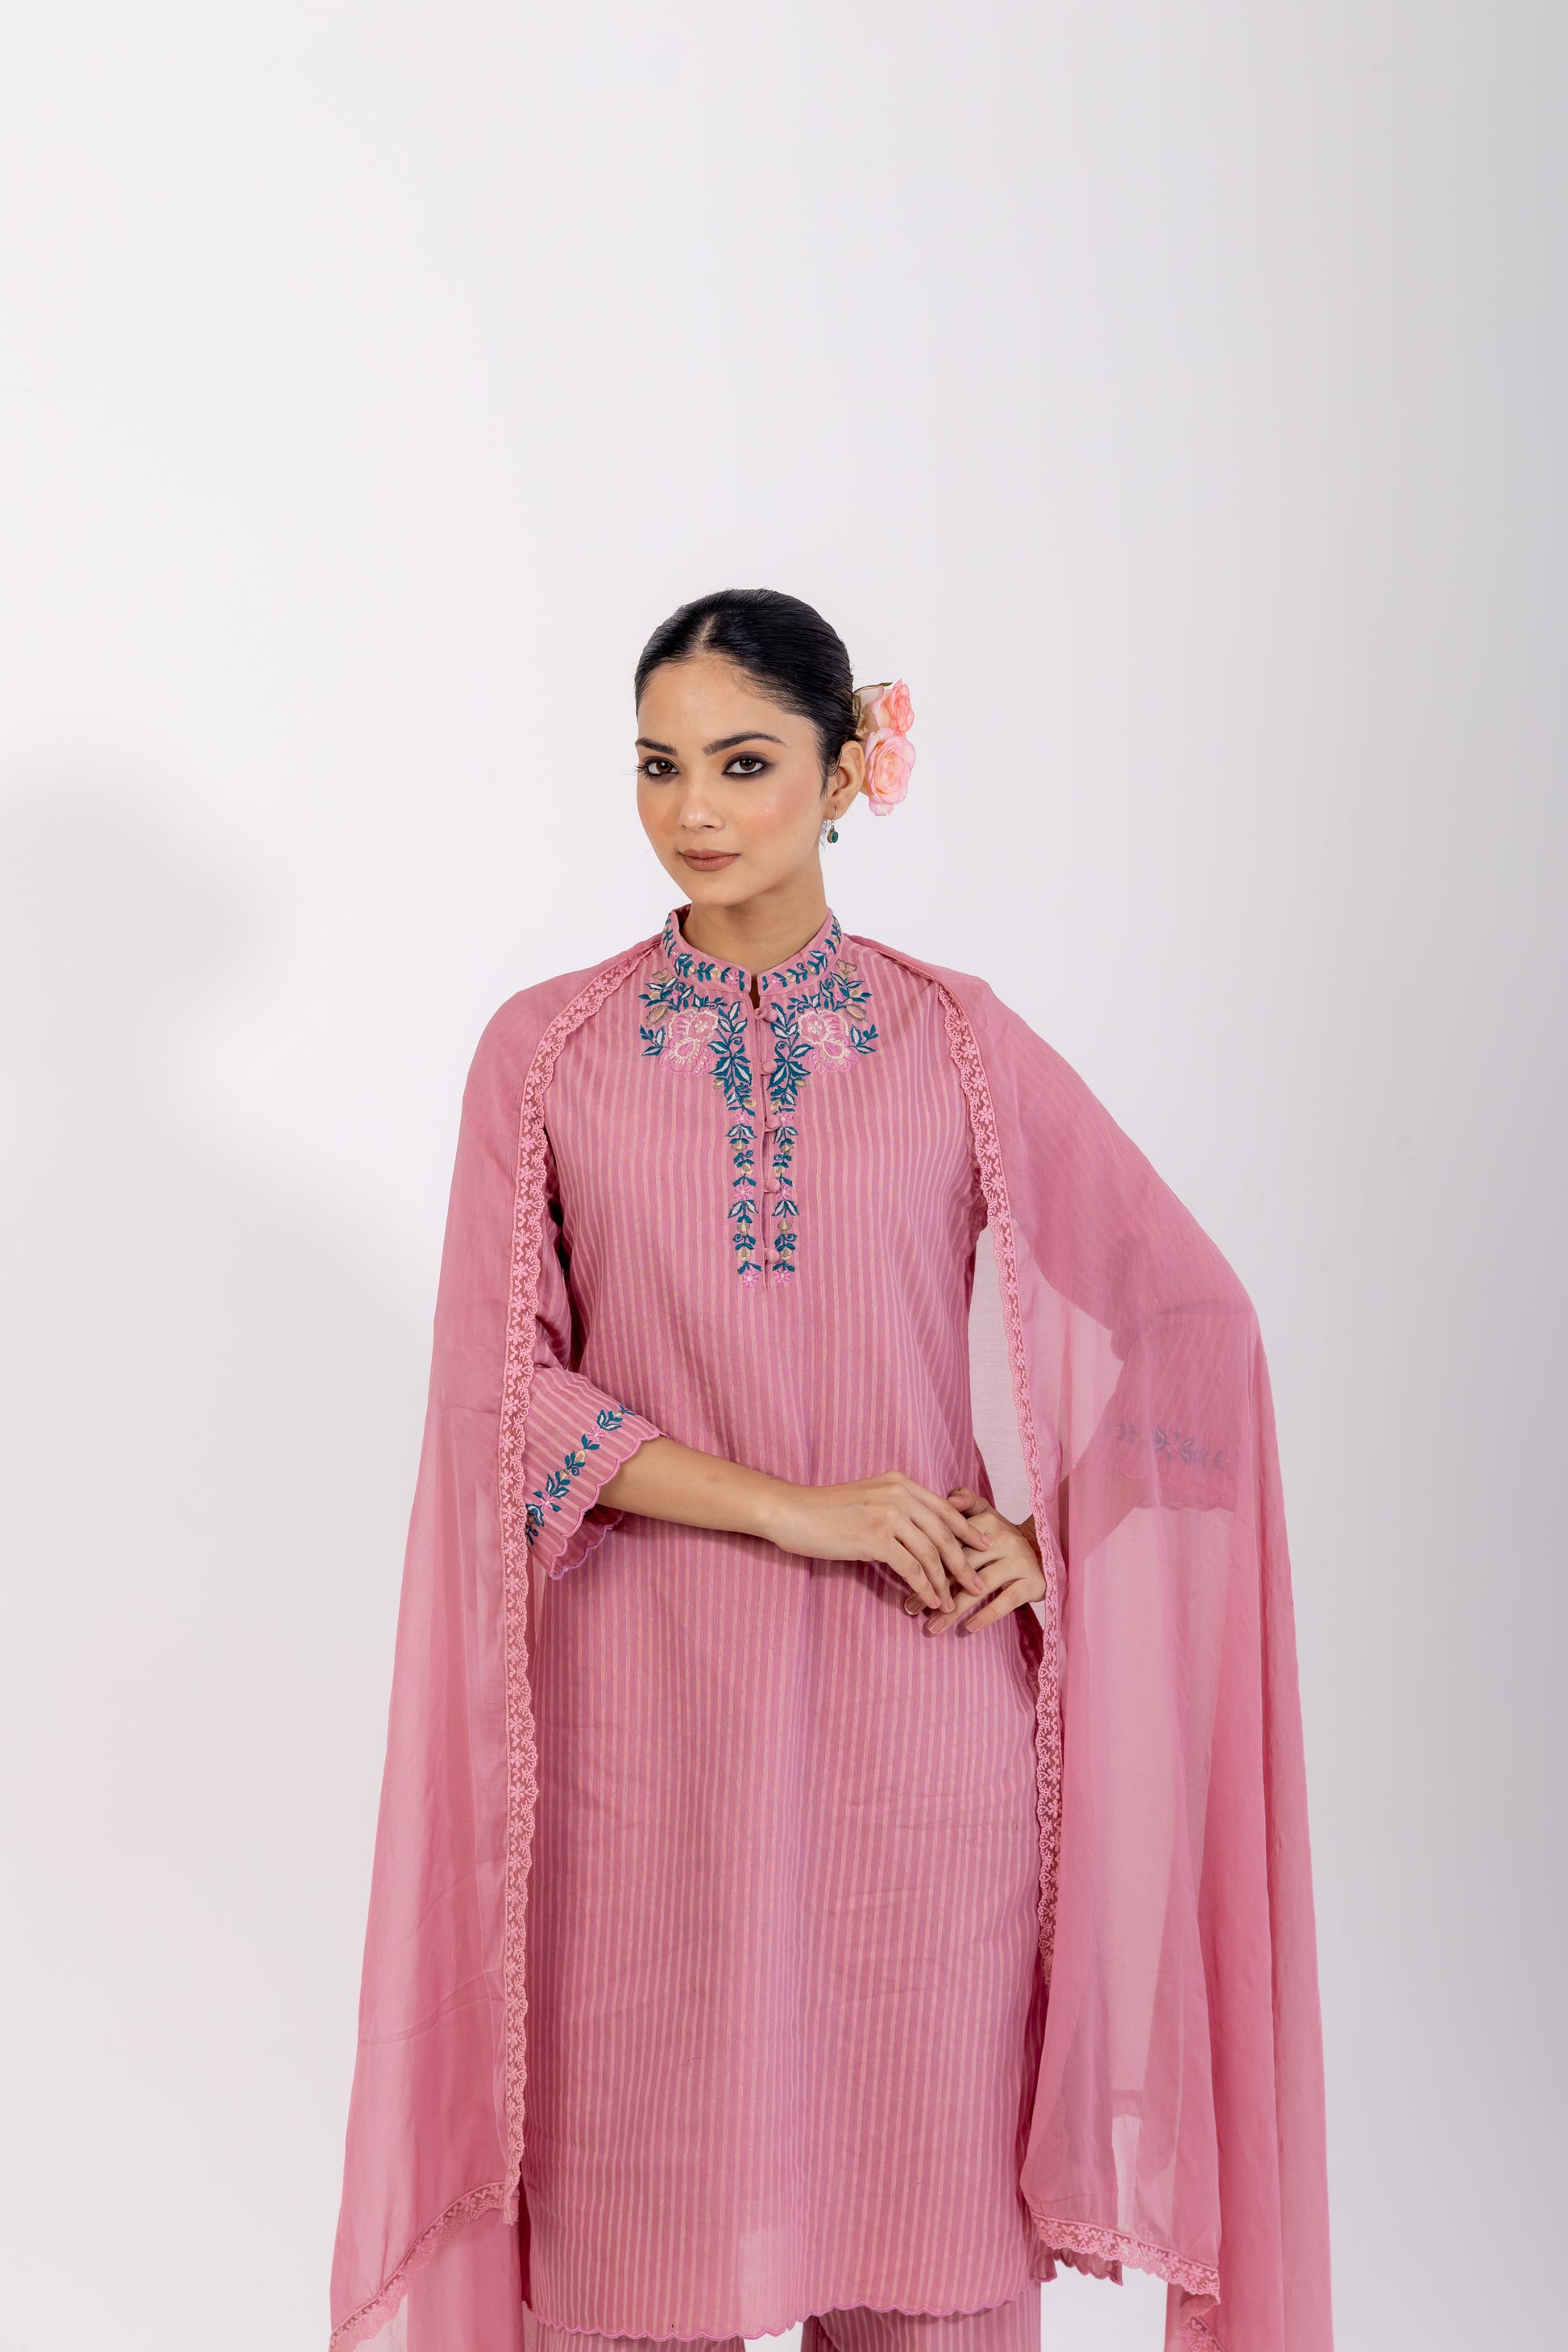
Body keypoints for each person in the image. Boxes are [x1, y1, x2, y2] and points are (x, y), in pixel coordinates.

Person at [330, 591, 1333, 2352]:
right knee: (637, 2263)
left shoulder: (954, 1041)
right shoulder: (548, 1050)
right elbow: (503, 1397)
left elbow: (1191, 1326)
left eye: (743, 763)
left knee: (922, 2264)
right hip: (647, 1749)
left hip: (918, 1744)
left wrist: (1056, 1540)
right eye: (658, 765)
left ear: (846, 769)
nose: (693, 809)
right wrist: (799, 1507)